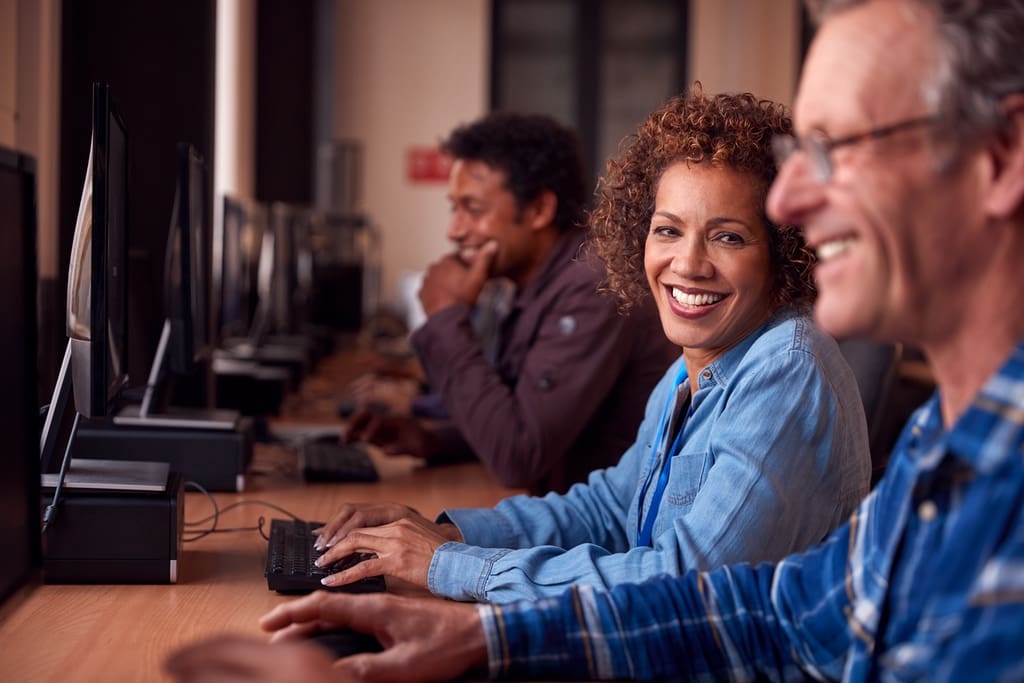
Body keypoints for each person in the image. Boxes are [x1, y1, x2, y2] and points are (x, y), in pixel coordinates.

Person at [166, 0, 1024, 681]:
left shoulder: (809, 376)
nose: (793, 200)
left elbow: (681, 574)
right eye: (803, 151)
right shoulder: (936, 449)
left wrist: (456, 576)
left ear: (1002, 153)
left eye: (837, 148)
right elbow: (758, 606)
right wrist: (469, 604)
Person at [307, 88, 871, 604]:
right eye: (668, 230)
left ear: (784, 252)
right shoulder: (689, 371)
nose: (689, 264)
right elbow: (608, 508)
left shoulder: (784, 369)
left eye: (728, 236)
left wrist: (450, 565)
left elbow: (684, 583)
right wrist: (444, 532)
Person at [345, 112, 677, 495]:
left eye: (473, 209)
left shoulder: (593, 286)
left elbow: (519, 455)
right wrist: (434, 441)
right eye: (455, 208)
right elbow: (523, 417)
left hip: (604, 537)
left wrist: (446, 316)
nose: (454, 230)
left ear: (538, 210)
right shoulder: (532, 282)